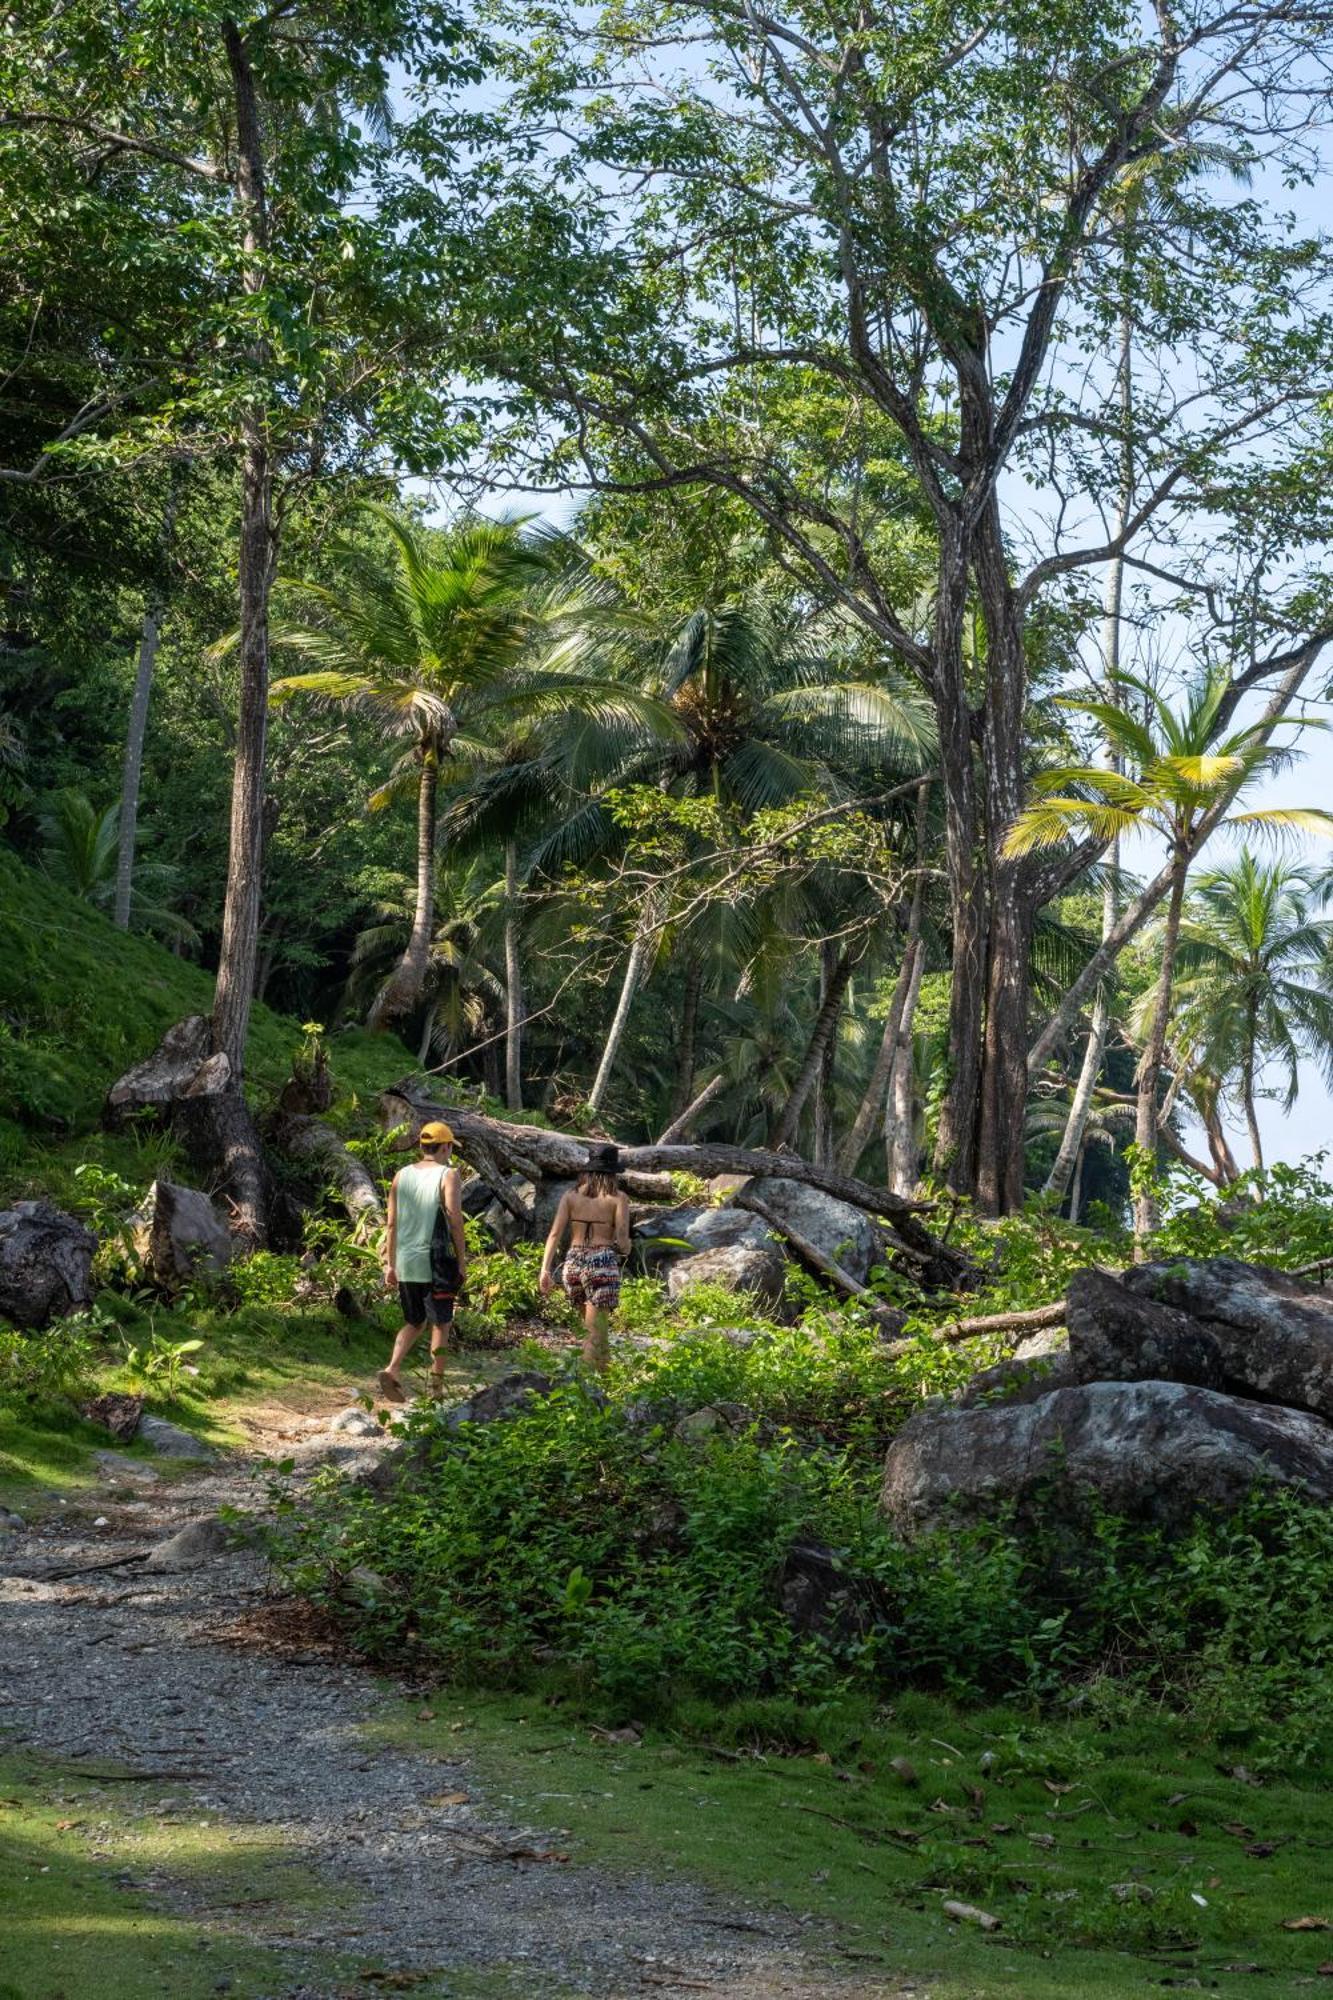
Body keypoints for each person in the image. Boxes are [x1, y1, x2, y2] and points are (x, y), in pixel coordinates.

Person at [379, 1120, 467, 1404]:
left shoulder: (401, 1175)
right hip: (436, 1261)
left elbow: (391, 1224)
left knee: (414, 1320)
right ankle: (435, 1390)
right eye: (450, 1146)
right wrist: (462, 1261)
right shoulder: (448, 1175)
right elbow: (454, 1220)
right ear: (444, 1147)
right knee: (441, 1323)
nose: (451, 1151)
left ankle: (392, 1368)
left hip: (406, 1260)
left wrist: (390, 1264)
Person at [539, 1142, 631, 1372]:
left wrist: (545, 1270)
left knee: (597, 1331)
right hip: (601, 1261)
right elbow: (622, 1237)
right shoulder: (618, 1198)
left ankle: (607, 1383)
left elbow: (554, 1234)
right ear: (613, 1172)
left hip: (573, 1263)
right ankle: (587, 1391)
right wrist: (626, 1249)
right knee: (594, 1334)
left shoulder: (570, 1196)